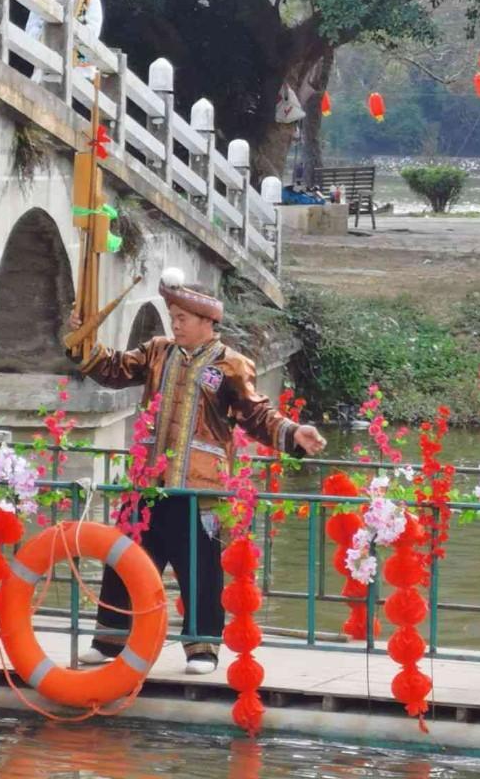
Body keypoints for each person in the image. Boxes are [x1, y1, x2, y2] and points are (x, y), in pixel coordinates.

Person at [65, 269, 327, 674]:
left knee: (199, 570)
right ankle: (109, 639)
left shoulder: (231, 366)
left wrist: (293, 433)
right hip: (148, 483)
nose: (176, 325)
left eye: (183, 318)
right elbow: (114, 369)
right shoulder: (157, 352)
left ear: (207, 320)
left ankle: (201, 648)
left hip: (200, 489)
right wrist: (85, 343)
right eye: (173, 317)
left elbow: (256, 414)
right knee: (124, 560)